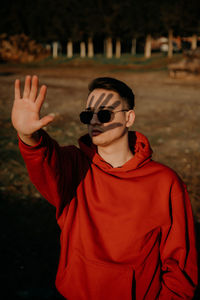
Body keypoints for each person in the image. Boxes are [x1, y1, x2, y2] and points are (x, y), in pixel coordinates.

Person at [11, 75, 198, 300]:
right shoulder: (74, 167)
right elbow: (44, 159)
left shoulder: (165, 182)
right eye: (88, 114)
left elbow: (180, 266)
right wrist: (27, 135)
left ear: (129, 118)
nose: (95, 121)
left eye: (105, 113)